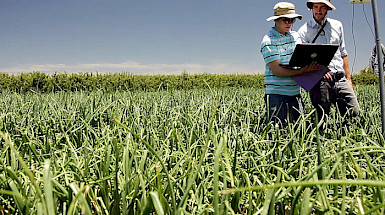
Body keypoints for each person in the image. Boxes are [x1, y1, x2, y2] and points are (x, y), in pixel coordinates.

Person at [298, 0, 360, 119]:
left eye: (322, 7)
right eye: (315, 7)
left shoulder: (337, 25)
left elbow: (343, 52)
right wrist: (321, 71)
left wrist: (348, 78)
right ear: (311, 8)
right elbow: (304, 58)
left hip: (340, 78)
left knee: (354, 114)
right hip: (319, 81)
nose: (318, 10)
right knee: (322, 119)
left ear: (327, 9)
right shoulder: (304, 30)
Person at [261, 2, 318, 124]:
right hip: (276, 94)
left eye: (292, 20)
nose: (290, 23)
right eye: (286, 20)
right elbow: (278, 71)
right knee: (278, 131)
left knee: (299, 130)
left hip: (295, 92)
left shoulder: (295, 36)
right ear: (276, 20)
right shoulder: (268, 41)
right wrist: (303, 71)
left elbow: (301, 57)